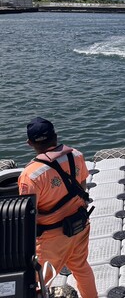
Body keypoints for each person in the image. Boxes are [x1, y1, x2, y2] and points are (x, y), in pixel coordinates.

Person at [18, 117, 98, 298]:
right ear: (55, 135)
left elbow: (28, 213)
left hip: (51, 237)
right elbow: (83, 185)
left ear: (29, 143)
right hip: (79, 224)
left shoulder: (30, 174)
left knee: (38, 281)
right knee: (81, 267)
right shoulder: (76, 155)